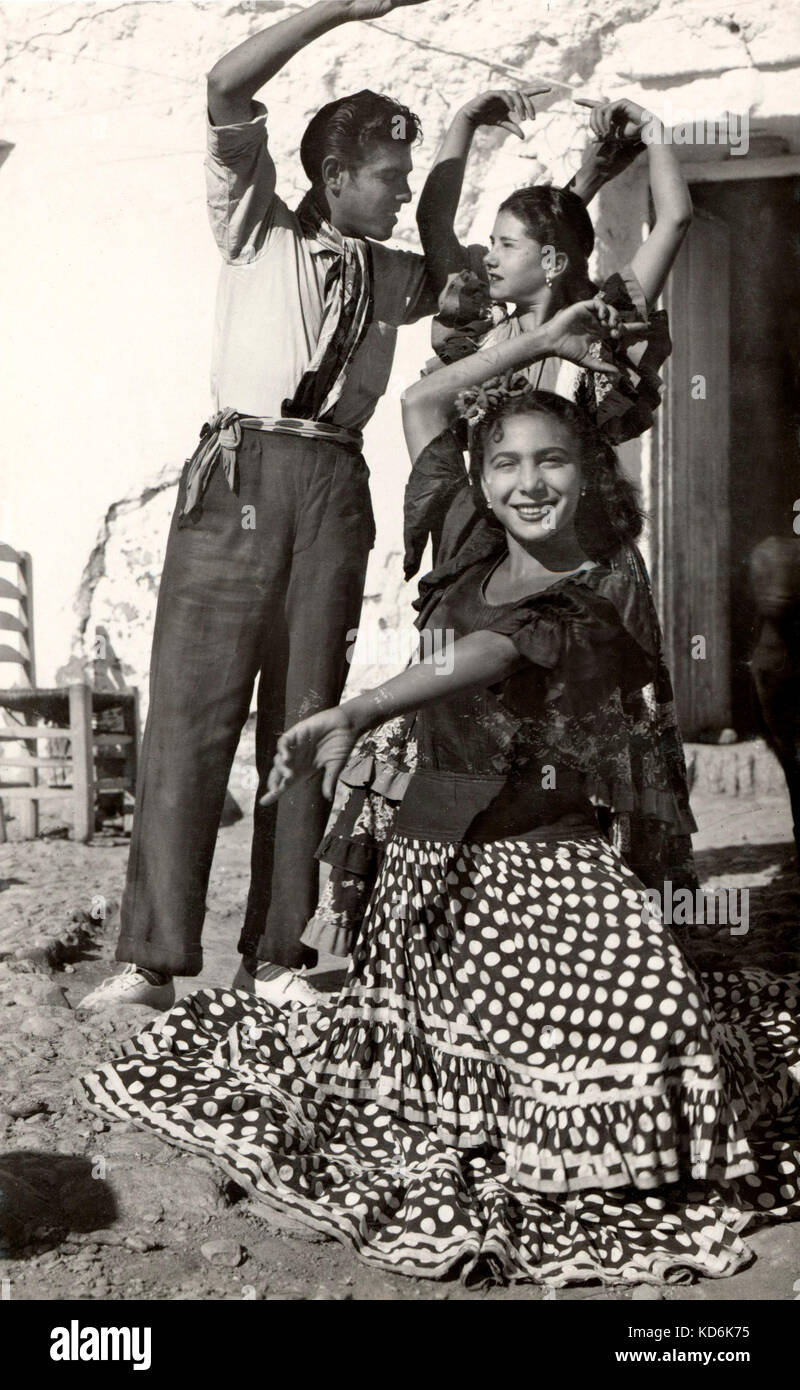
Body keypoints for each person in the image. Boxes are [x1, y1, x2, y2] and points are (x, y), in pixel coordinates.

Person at [78, 312, 800, 1288]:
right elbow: (423, 400)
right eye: (504, 463)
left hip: (552, 875)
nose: (527, 482)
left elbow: (491, 651)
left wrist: (364, 706)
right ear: (479, 472)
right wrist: (546, 337)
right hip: (436, 881)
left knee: (662, 1026)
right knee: (518, 1070)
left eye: (551, 461)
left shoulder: (591, 589)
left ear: (588, 472)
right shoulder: (463, 539)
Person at [78, 0, 464, 1014]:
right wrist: (339, 7)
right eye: (384, 176)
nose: (395, 194)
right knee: (193, 719)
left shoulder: (391, 272)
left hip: (335, 485)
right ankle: (150, 958)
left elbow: (450, 266)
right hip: (241, 478)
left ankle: (278, 952)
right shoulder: (256, 226)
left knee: (306, 718)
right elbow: (223, 88)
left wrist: (453, 147)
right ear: (332, 178)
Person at [303, 95, 696, 959]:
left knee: (575, 730)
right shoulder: (480, 325)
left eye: (507, 245)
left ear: (549, 257)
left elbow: (674, 216)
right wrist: (463, 129)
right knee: (459, 710)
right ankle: (444, 907)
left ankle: (596, 913)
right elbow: (455, 227)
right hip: (477, 553)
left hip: (570, 568)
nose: (486, 255)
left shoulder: (599, 321)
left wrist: (660, 132)